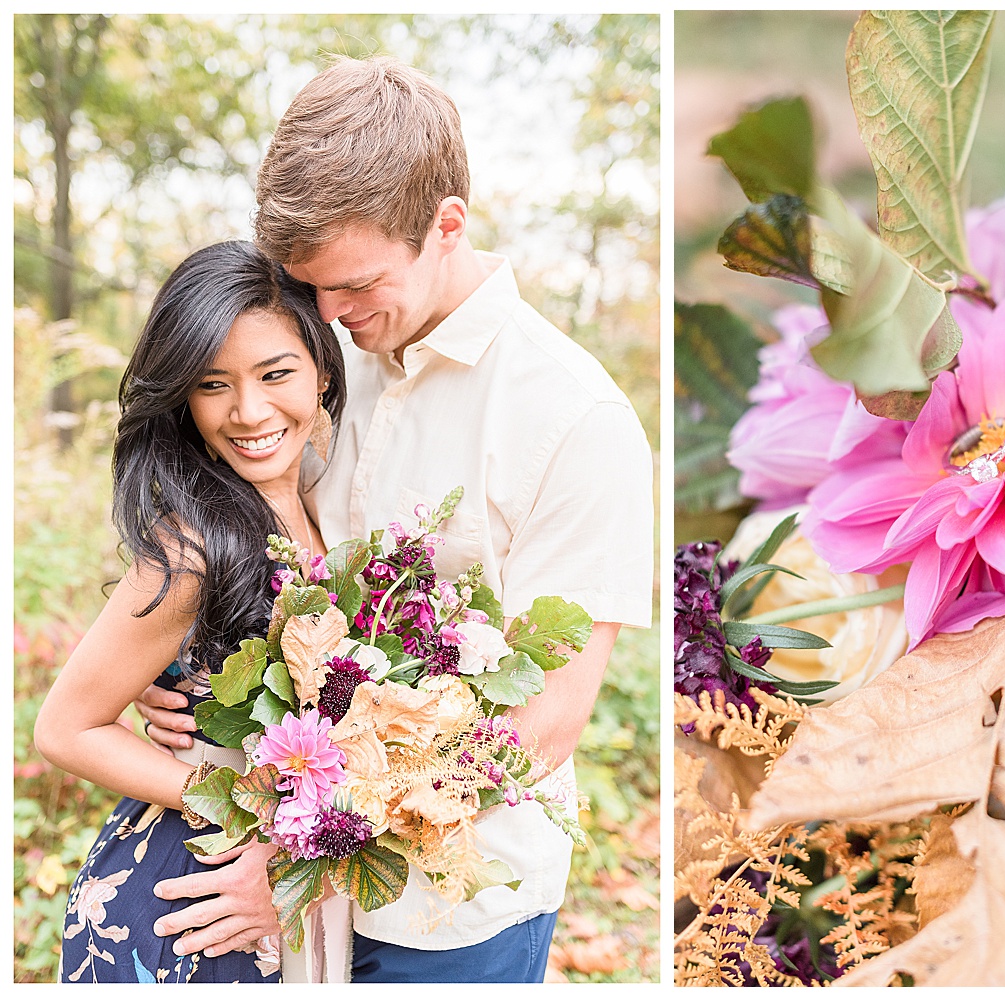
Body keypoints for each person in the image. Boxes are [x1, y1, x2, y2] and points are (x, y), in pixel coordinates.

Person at [131, 56, 654, 982]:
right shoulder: (324, 355)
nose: (329, 313)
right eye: (311, 287)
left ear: (447, 222)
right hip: (293, 908)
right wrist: (172, 660)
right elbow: (235, 514)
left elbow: (542, 725)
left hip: (455, 913)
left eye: (356, 285)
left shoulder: (575, 419)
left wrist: (302, 860)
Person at [38, 241, 345, 983]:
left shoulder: (322, 503)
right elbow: (64, 726)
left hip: (276, 886)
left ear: (324, 370)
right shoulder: (193, 544)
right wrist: (247, 804)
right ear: (183, 397)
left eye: (276, 374)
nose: (249, 411)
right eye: (213, 384)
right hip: (188, 902)